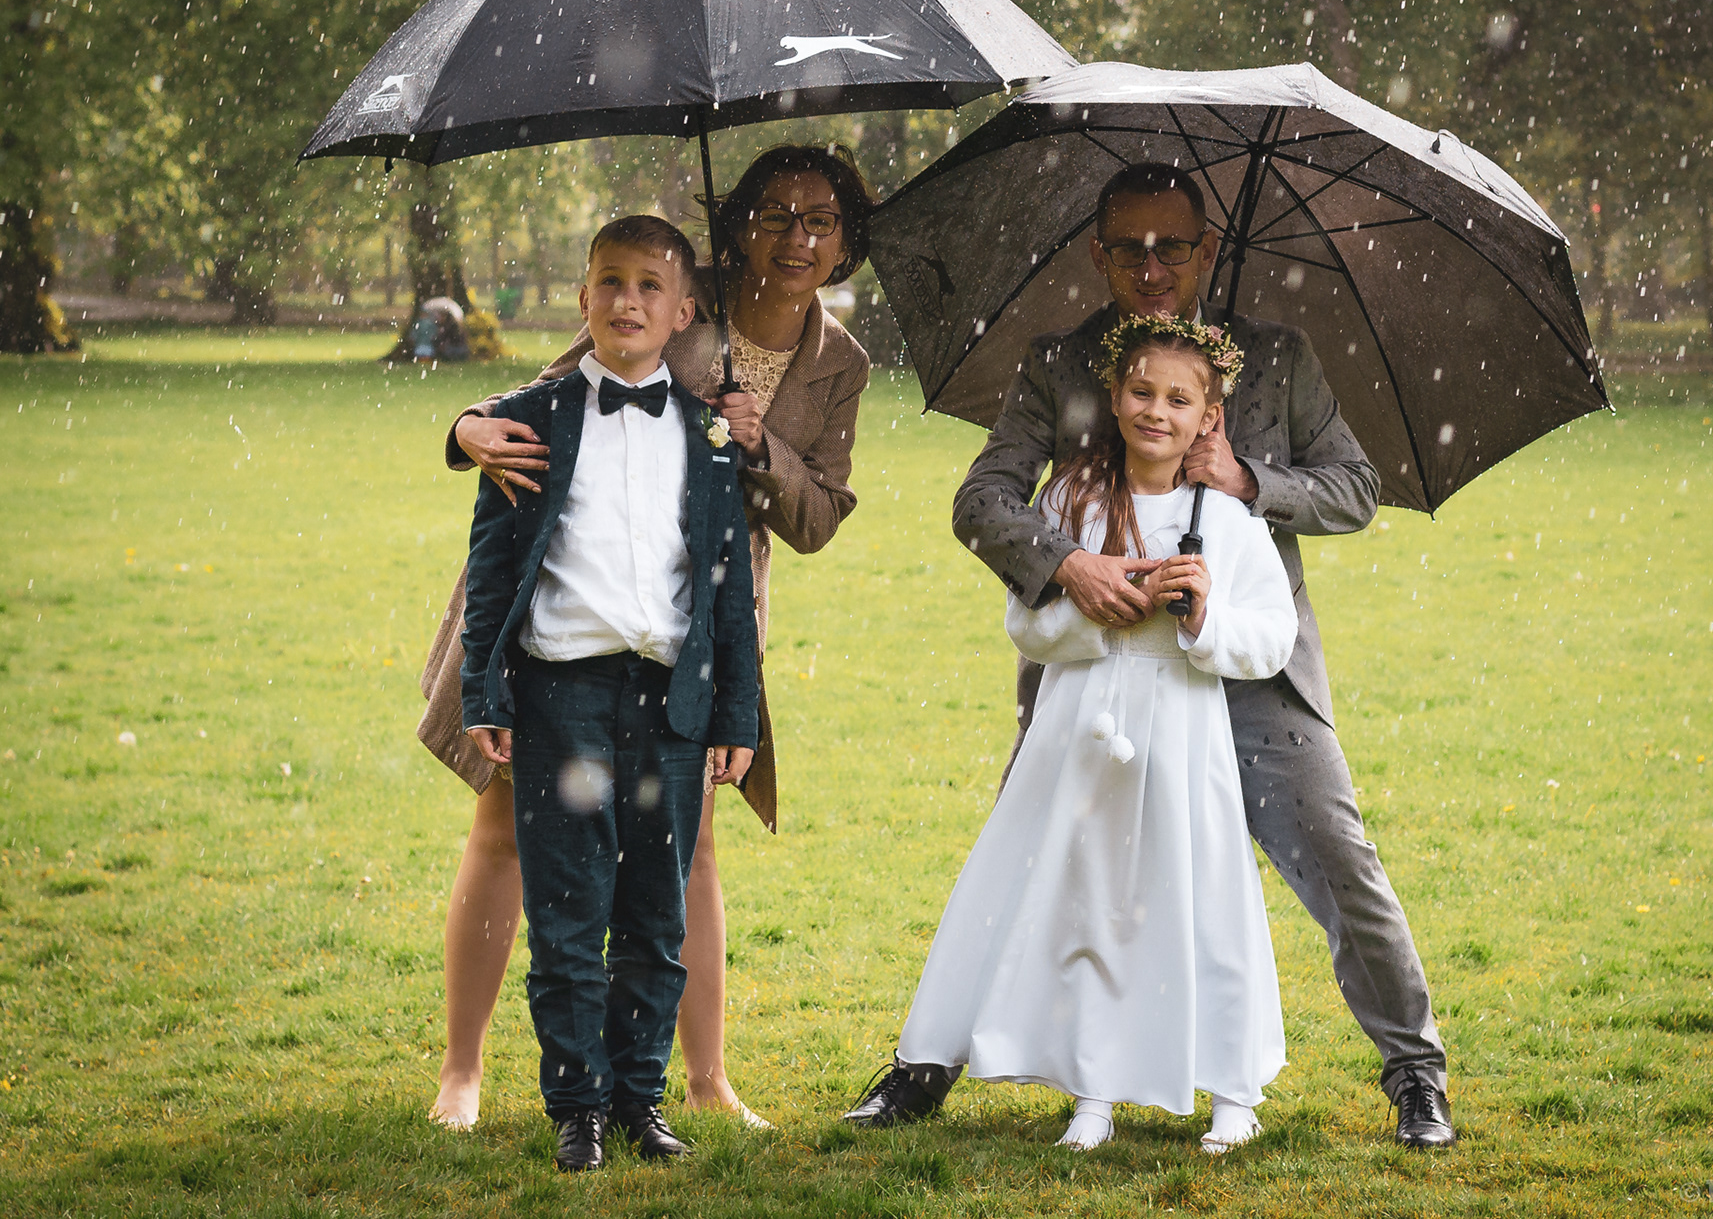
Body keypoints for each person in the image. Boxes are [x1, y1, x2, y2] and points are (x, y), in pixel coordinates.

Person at [846, 162, 1455, 1150]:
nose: (1151, 263)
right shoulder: (1058, 364)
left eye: (1172, 244)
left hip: (1251, 674)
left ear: (1205, 250)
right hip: (1097, 677)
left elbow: (1354, 489)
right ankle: (926, 1068)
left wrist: (1248, 477)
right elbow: (982, 500)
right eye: (1128, 246)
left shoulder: (1279, 360)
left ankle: (1416, 1075)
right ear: (1098, 255)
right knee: (1021, 859)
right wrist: (1066, 560)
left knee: (1342, 864)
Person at [416, 144, 877, 1131]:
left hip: (695, 607)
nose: (796, 236)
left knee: (689, 841)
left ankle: (702, 1077)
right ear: (742, 222)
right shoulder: (668, 291)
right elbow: (539, 397)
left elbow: (816, 516)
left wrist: (761, 445)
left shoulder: (842, 364)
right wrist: (462, 427)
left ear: (846, 241)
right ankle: (462, 1068)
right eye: (777, 213)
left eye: (821, 219)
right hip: (569, 587)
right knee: (504, 825)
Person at [888, 316, 1295, 1154]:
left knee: (1201, 903)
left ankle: (1231, 1088)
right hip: (1084, 732)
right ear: (1113, 397)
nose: (1157, 411)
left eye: (1180, 399)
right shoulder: (1070, 500)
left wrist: (1202, 618)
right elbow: (1024, 625)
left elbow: (1270, 639)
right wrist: (1097, 611)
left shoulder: (1227, 521)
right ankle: (1093, 1086)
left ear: (1208, 417)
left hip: (1184, 738)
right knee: (1092, 905)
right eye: (1141, 392)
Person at [460, 213, 760, 1172]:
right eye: (609, 282)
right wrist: (485, 694)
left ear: (681, 312)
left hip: (672, 701)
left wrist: (736, 712)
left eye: (649, 287)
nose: (627, 301)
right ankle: (577, 1107)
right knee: (569, 908)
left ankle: (640, 1098)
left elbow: (728, 587)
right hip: (563, 697)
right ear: (583, 299)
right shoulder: (531, 419)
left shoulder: (712, 433)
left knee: (654, 916)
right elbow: (493, 571)